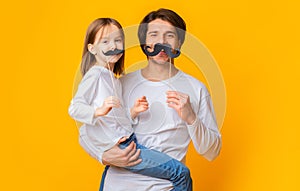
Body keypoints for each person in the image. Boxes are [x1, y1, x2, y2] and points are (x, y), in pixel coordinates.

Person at [93, 9, 222, 191]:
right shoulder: (120, 85)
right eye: (154, 34)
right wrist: (103, 156)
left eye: (170, 35)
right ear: (144, 42)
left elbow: (211, 152)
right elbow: (96, 135)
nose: (162, 42)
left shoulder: (196, 89)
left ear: (179, 41)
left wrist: (191, 118)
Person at [68, 18, 193, 191]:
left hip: (126, 142)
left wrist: (132, 112)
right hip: (123, 145)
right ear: (92, 48)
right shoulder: (95, 75)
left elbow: (115, 121)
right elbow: (75, 108)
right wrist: (98, 111)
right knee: (180, 174)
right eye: (105, 41)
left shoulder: (115, 80)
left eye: (118, 40)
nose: (113, 46)